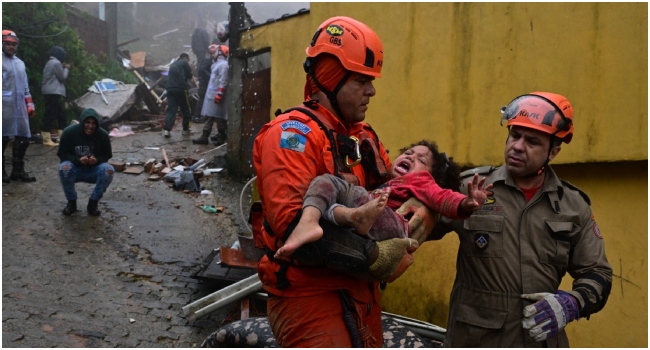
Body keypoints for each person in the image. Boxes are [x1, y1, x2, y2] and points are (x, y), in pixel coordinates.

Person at [252, 16, 428, 348]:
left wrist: (426, 213)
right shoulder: (292, 136)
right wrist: (374, 255)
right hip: (310, 299)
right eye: (362, 80)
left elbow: (394, 198)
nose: (372, 90)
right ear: (331, 76)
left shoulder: (363, 138)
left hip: (363, 295)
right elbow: (293, 231)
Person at [429, 92, 613, 347]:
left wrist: (572, 303)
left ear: (553, 152)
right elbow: (414, 228)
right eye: (515, 135)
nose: (517, 146)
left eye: (532, 142)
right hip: (476, 341)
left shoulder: (573, 205)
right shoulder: (470, 187)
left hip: (542, 341)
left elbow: (597, 272)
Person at [275, 140, 492, 258]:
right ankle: (342, 218)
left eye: (420, 159)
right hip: (369, 222)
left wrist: (466, 203)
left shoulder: (421, 180)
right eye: (408, 152)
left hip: (393, 225)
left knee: (339, 188)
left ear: (431, 175)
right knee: (330, 192)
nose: (410, 156)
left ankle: (320, 220)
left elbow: (443, 198)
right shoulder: (386, 184)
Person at [57, 108, 114, 216]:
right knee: (64, 168)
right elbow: (62, 154)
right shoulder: (69, 132)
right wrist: (77, 160)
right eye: (87, 122)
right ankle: (71, 202)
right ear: (82, 122)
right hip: (75, 169)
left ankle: (93, 203)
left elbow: (107, 155)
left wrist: (97, 160)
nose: (90, 126)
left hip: (93, 170)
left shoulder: (103, 135)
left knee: (109, 170)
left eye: (93, 123)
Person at [2, 29, 36, 183]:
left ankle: (18, 170)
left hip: (19, 105)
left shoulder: (20, 63)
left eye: (13, 44)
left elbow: (25, 87)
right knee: (2, 138)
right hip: (3, 106)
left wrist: (30, 104)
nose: (11, 47)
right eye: (7, 44)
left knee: (24, 137)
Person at [192, 44, 229, 146]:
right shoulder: (215, 65)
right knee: (210, 115)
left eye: (213, 53)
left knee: (219, 117)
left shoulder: (223, 66)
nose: (212, 55)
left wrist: (219, 94)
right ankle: (205, 136)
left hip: (218, 95)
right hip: (212, 94)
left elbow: (223, 81)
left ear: (220, 53)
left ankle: (222, 136)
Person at [41, 45, 70, 147]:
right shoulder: (56, 63)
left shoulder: (50, 62)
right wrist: (66, 69)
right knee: (51, 114)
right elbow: (62, 77)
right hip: (53, 91)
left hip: (50, 91)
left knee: (60, 114)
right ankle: (46, 138)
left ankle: (64, 137)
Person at [162, 53, 193, 138]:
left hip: (169, 89)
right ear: (186, 58)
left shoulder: (172, 64)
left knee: (171, 109)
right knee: (186, 108)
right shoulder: (184, 63)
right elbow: (189, 75)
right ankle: (185, 129)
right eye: (188, 60)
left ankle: (167, 130)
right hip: (180, 88)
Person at [191, 44, 215, 124]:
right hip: (204, 84)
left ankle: (203, 115)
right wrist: (211, 76)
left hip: (207, 83)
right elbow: (203, 69)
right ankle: (197, 117)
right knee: (202, 100)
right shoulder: (207, 60)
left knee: (205, 100)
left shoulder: (211, 61)